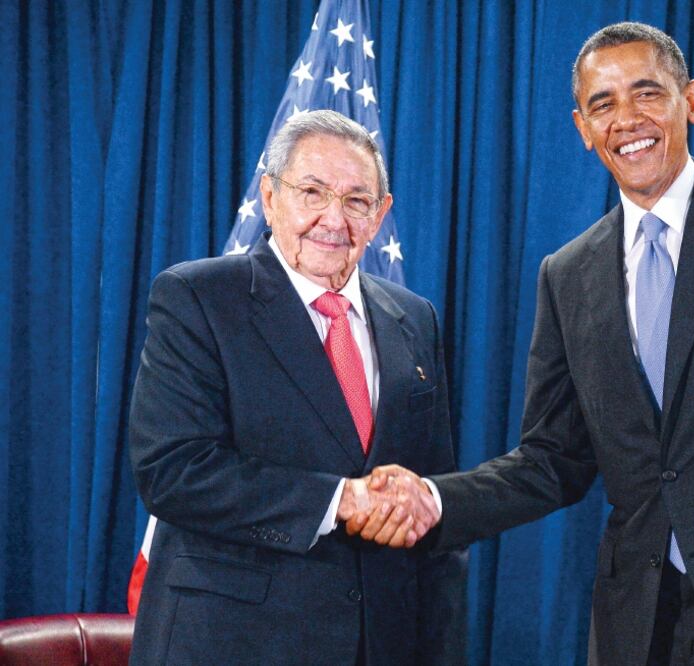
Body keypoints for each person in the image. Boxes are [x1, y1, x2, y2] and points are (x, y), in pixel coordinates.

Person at [351, 22, 694, 666]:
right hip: (638, 623)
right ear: (583, 128)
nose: (627, 120)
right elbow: (552, 460)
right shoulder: (567, 274)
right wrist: (434, 499)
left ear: (690, 100)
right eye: (603, 104)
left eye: (647, 93)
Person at [128, 110, 464, 665]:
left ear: (380, 216)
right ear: (269, 195)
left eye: (357, 201)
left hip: (382, 643)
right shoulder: (199, 298)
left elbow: (433, 503)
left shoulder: (414, 317)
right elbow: (173, 471)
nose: (334, 219)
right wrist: (339, 501)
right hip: (232, 643)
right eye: (312, 191)